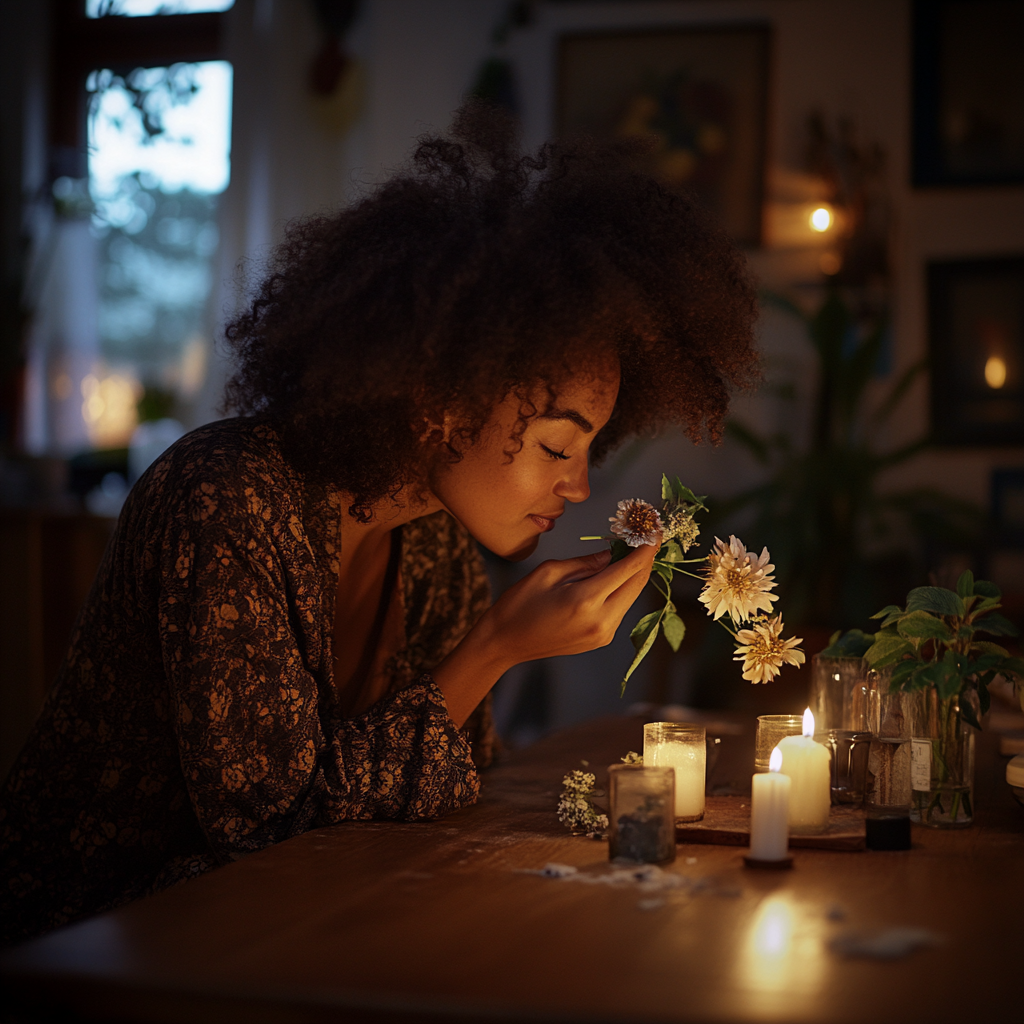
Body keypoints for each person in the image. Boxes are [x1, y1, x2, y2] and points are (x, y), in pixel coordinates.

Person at [0, 104, 759, 945]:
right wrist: (497, 645)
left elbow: (440, 787)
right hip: (98, 940)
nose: (578, 487)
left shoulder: (431, 536)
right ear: (440, 402)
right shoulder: (224, 501)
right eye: (555, 445)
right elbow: (267, 838)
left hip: (296, 930)